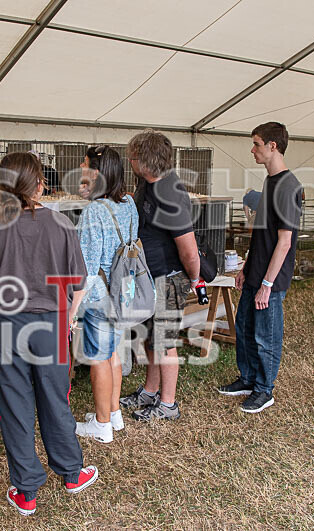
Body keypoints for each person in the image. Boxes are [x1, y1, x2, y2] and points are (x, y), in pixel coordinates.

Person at [0, 152, 97, 516]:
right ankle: (71, 474)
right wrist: (67, 320)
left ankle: (26, 491)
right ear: (38, 184)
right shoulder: (61, 224)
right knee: (56, 398)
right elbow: (79, 283)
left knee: (15, 406)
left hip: (8, 325)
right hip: (52, 325)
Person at [217, 122, 302, 414]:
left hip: (271, 280)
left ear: (272, 146)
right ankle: (249, 379)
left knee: (266, 335)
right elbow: (262, 232)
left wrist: (267, 284)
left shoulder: (290, 187)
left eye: (256, 144)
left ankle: (265, 390)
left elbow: (284, 242)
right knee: (244, 328)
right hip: (256, 271)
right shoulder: (270, 181)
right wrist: (247, 267)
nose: (252, 150)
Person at [118, 129, 200, 422]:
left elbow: (189, 249)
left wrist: (192, 278)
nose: (130, 161)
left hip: (170, 277)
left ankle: (168, 405)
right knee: (152, 339)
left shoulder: (171, 193)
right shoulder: (147, 184)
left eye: (133, 157)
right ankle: (150, 391)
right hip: (149, 277)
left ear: (144, 160)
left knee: (164, 341)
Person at [73, 146, 137, 443]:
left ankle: (101, 426)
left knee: (98, 357)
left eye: (85, 166)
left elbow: (85, 266)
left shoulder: (93, 212)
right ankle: (113, 413)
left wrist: (73, 308)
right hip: (125, 287)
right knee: (113, 351)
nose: (81, 170)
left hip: (100, 292)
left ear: (96, 173)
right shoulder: (129, 203)